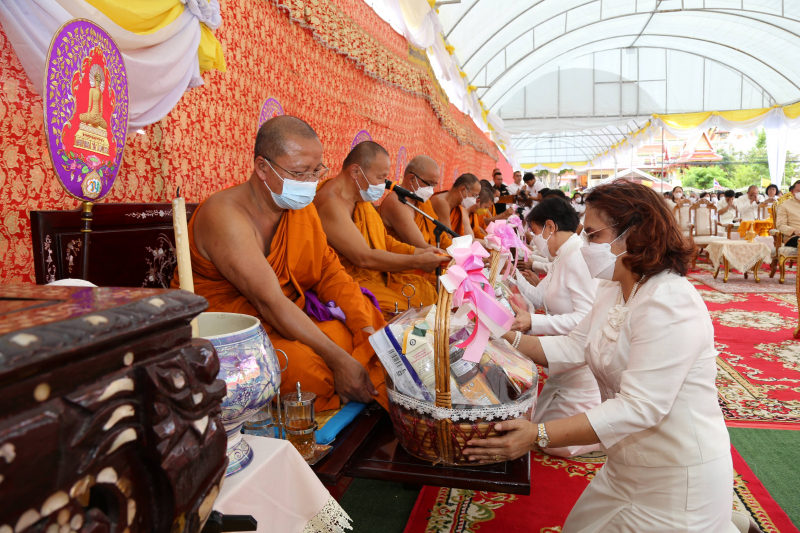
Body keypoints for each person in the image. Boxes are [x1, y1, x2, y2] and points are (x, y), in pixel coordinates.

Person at [463, 180, 732, 532]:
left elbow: (640, 407)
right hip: (624, 463)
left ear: (635, 234)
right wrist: (498, 337)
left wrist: (537, 435)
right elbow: (574, 346)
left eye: (593, 235)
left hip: (676, 474)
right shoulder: (614, 288)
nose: (585, 245)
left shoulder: (668, 300)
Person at [174, 115, 387, 411]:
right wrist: (338, 360)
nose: (311, 183)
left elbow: (329, 272)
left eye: (316, 171)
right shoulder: (224, 215)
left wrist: (363, 325)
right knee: (303, 368)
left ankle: (349, 381)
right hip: (232, 334)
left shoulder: (300, 209)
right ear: (262, 167)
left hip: (286, 319)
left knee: (358, 334)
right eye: (300, 173)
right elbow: (269, 303)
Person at [509, 197, 601, 457]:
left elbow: (585, 318)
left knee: (554, 443)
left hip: (579, 358)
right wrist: (510, 272)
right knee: (535, 423)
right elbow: (542, 297)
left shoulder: (577, 257)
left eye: (536, 233)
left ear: (550, 226)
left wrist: (534, 322)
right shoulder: (563, 255)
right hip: (563, 355)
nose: (535, 240)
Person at [314, 141, 443, 319]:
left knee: (424, 293)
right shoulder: (330, 202)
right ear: (355, 171)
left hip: (376, 275)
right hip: (346, 282)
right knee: (405, 311)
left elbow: (383, 240)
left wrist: (421, 252)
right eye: (380, 177)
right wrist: (417, 261)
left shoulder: (360, 199)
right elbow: (363, 257)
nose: (383, 185)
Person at [380, 155, 453, 251]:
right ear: (411, 179)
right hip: (404, 263)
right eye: (429, 184)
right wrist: (452, 257)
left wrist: (454, 250)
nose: (431, 190)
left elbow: (442, 237)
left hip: (427, 257)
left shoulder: (422, 202)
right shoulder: (396, 202)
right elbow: (420, 245)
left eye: (434, 185)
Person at [776, 179, 800, 248]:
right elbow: (780, 225)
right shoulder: (785, 205)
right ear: (792, 192)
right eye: (799, 191)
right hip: (793, 237)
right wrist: (794, 231)